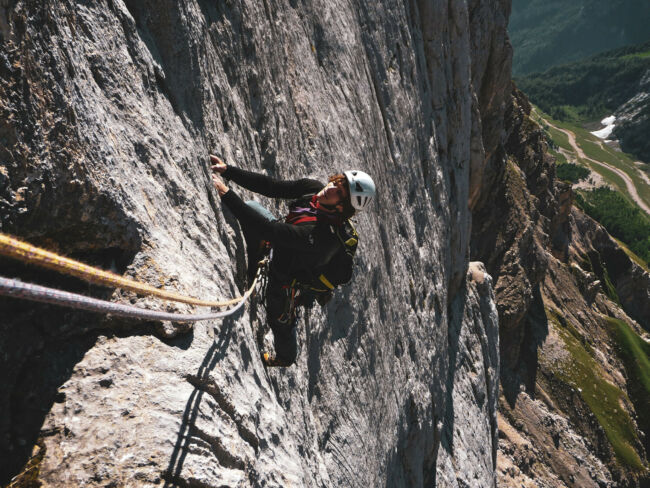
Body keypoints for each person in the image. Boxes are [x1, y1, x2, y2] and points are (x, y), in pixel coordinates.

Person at [210, 154, 376, 367]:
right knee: (251, 207)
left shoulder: (322, 238)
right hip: (280, 242)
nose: (331, 188)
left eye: (339, 192)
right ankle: (252, 269)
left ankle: (285, 358)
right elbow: (273, 187)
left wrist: (226, 194)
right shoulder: (313, 190)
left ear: (342, 208)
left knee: (278, 320)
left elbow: (269, 230)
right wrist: (229, 171)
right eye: (337, 182)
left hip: (288, 275)